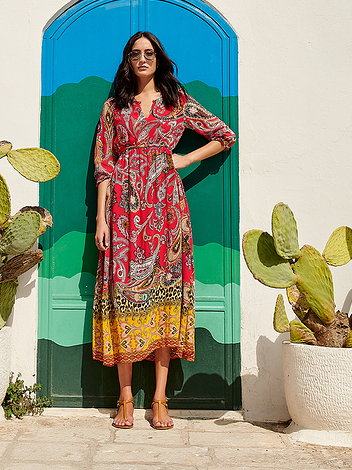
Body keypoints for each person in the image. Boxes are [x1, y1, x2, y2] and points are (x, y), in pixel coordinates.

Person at [92, 31, 236, 430]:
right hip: (123, 211)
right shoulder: (113, 108)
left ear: (159, 59)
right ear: (127, 61)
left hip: (166, 211)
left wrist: (186, 158)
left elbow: (224, 136)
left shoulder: (177, 102)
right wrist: (102, 218)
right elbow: (104, 167)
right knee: (122, 298)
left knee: (165, 299)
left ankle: (159, 399)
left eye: (149, 53)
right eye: (135, 54)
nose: (142, 59)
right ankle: (124, 398)